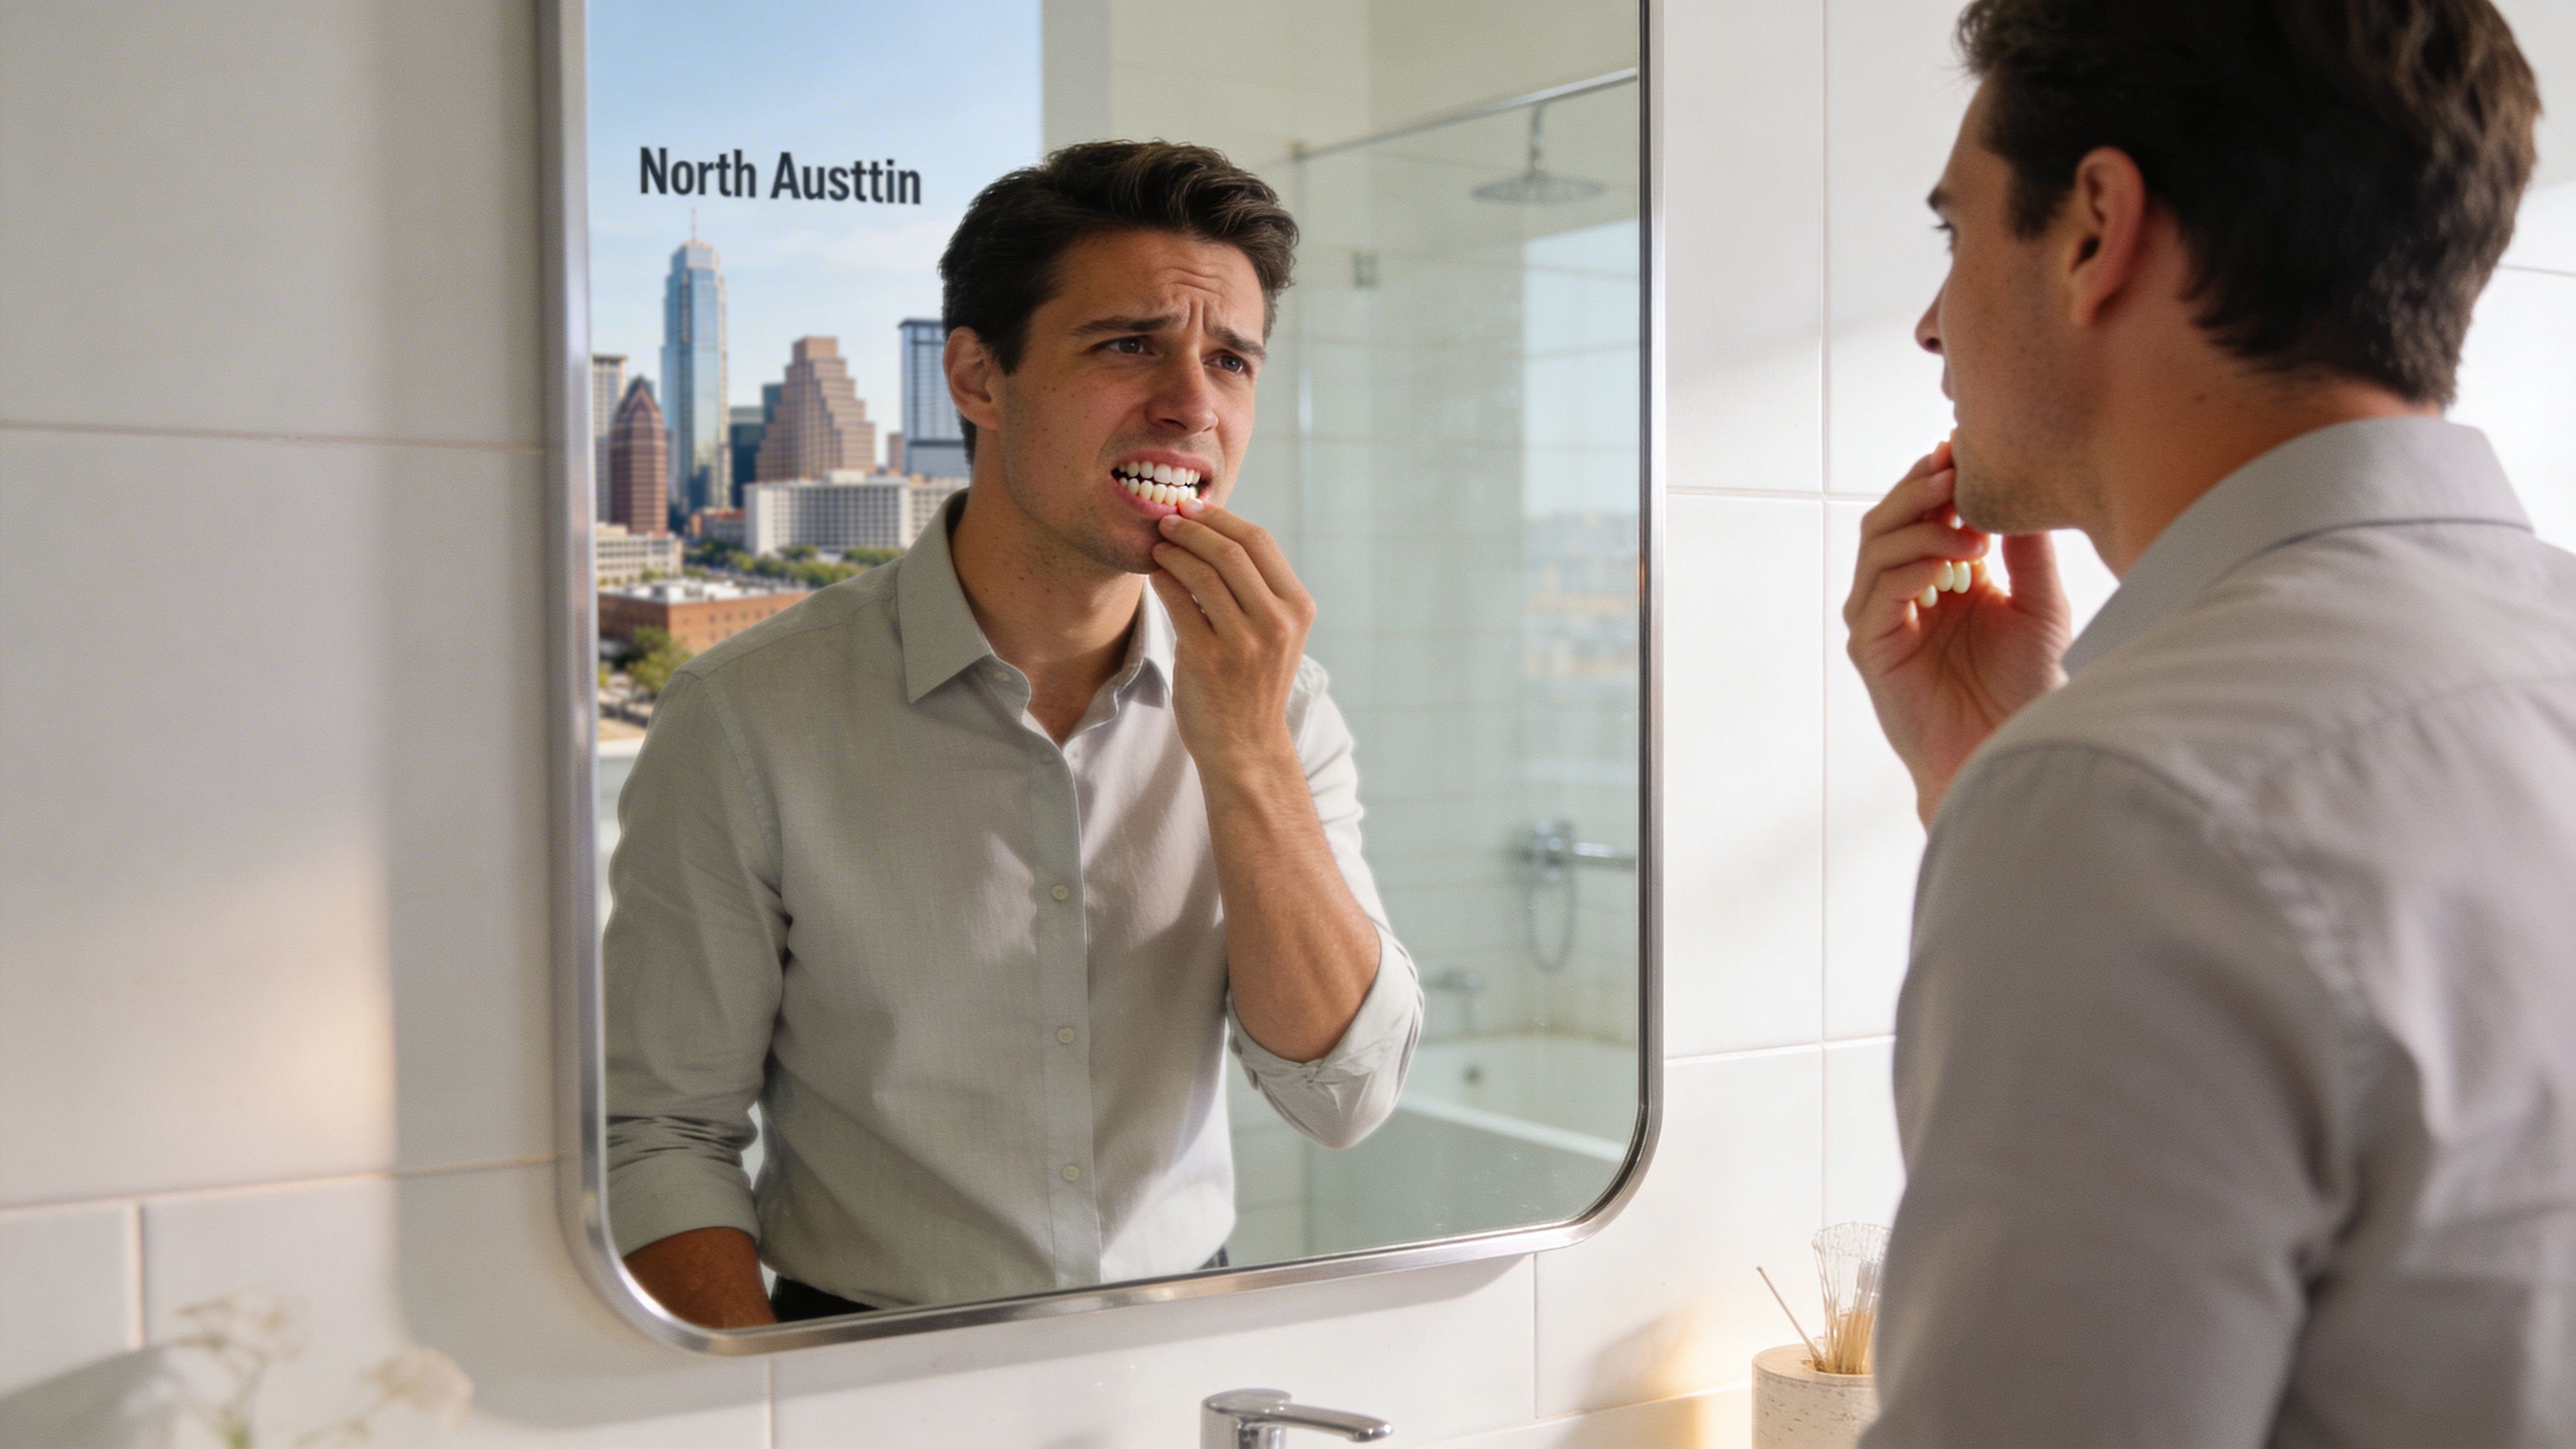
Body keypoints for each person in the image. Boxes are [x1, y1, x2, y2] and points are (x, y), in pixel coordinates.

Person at [1843, 2, 2572, 1443]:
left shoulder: (2123, 803)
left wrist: (2041, 796)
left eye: (1953, 235)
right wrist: (1988, 771)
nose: (1931, 322)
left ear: (2094, 227)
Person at [604, 142, 1422, 1328]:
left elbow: (1346, 1096)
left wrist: (1246, 754)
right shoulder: (747, 718)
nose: (1193, 402)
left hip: (1177, 1354)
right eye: (1131, 343)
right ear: (979, 382)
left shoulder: (1282, 706)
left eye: (1231, 359)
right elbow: (663, 1137)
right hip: (856, 1362)